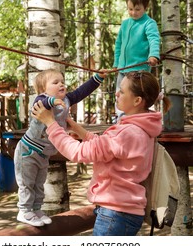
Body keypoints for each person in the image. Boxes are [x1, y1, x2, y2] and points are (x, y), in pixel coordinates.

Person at [31, 71, 171, 236]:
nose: (117, 93)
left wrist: (50, 123)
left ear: (137, 100)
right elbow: (105, 146)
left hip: (116, 213)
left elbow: (78, 152)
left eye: (122, 91)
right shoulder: (140, 128)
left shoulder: (128, 133)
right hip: (122, 211)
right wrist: (75, 127)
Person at [14, 69, 107, 227]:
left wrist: (97, 78)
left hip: (43, 154)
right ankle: (24, 210)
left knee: (39, 183)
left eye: (62, 81)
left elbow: (81, 92)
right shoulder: (42, 100)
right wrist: (53, 101)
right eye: (55, 82)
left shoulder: (67, 99)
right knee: (27, 183)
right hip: (28, 151)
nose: (61, 84)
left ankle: (36, 210)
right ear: (44, 89)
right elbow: (41, 103)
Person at [113, 0, 160, 120]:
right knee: (119, 94)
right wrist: (116, 63)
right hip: (123, 69)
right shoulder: (125, 24)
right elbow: (119, 44)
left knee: (140, 98)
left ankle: (142, 120)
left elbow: (154, 40)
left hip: (139, 72)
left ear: (146, 7)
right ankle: (121, 119)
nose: (133, 12)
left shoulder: (149, 23)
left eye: (137, 9)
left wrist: (153, 55)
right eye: (130, 9)